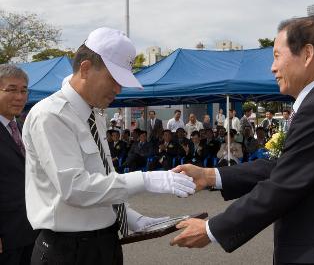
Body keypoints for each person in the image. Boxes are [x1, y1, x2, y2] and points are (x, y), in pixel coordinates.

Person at [171, 16, 314, 265]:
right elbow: (284, 167)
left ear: (306, 54)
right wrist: (210, 176)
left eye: (277, 55)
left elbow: (282, 184)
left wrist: (211, 229)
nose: (272, 67)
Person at [22, 27, 195, 265]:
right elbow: (75, 188)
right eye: (113, 79)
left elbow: (101, 177)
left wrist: (131, 217)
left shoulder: (94, 115)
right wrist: (144, 180)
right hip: (68, 250)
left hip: (104, 244)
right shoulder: (51, 115)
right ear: (85, 69)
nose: (118, 89)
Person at [0, 65, 38, 265]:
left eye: (24, 90)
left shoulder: (23, 129)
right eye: (12, 89)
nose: (19, 96)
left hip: (31, 232)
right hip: (5, 238)